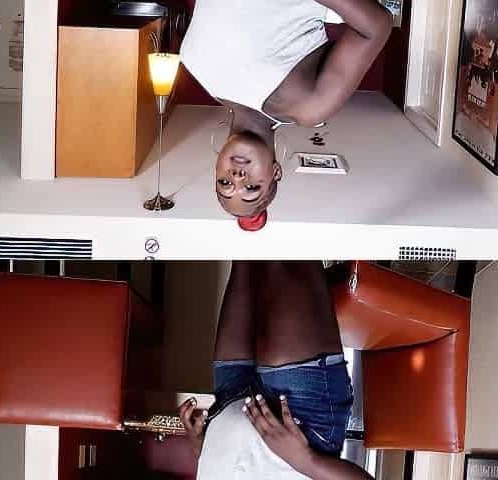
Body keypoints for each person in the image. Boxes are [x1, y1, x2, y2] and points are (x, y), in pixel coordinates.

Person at [179, 1, 393, 231]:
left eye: (225, 182)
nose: (238, 177)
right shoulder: (308, 107)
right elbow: (376, 26)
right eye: (252, 188)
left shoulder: (193, 63)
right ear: (275, 172)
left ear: (217, 168)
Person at [178, 261, 373, 479]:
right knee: (286, 254)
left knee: (245, 255)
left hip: (227, 408)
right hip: (297, 422)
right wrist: (306, 460)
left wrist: (202, 450)